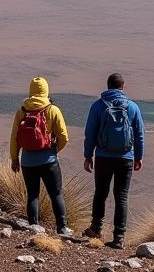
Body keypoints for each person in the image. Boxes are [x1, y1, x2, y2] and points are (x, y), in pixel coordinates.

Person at [82, 72, 145, 248]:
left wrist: (88, 156)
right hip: (126, 158)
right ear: (122, 87)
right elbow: (139, 134)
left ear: (108, 86)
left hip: (103, 157)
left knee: (100, 193)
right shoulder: (132, 107)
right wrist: (138, 157)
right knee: (121, 196)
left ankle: (96, 229)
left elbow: (90, 133)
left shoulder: (98, 106)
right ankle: (119, 238)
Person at [9, 76, 73, 236]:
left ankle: (33, 227)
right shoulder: (52, 110)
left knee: (32, 194)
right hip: (48, 160)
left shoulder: (22, 111)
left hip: (27, 162)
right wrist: (53, 150)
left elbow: (14, 137)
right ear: (46, 90)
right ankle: (62, 228)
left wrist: (15, 158)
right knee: (56, 193)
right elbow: (64, 136)